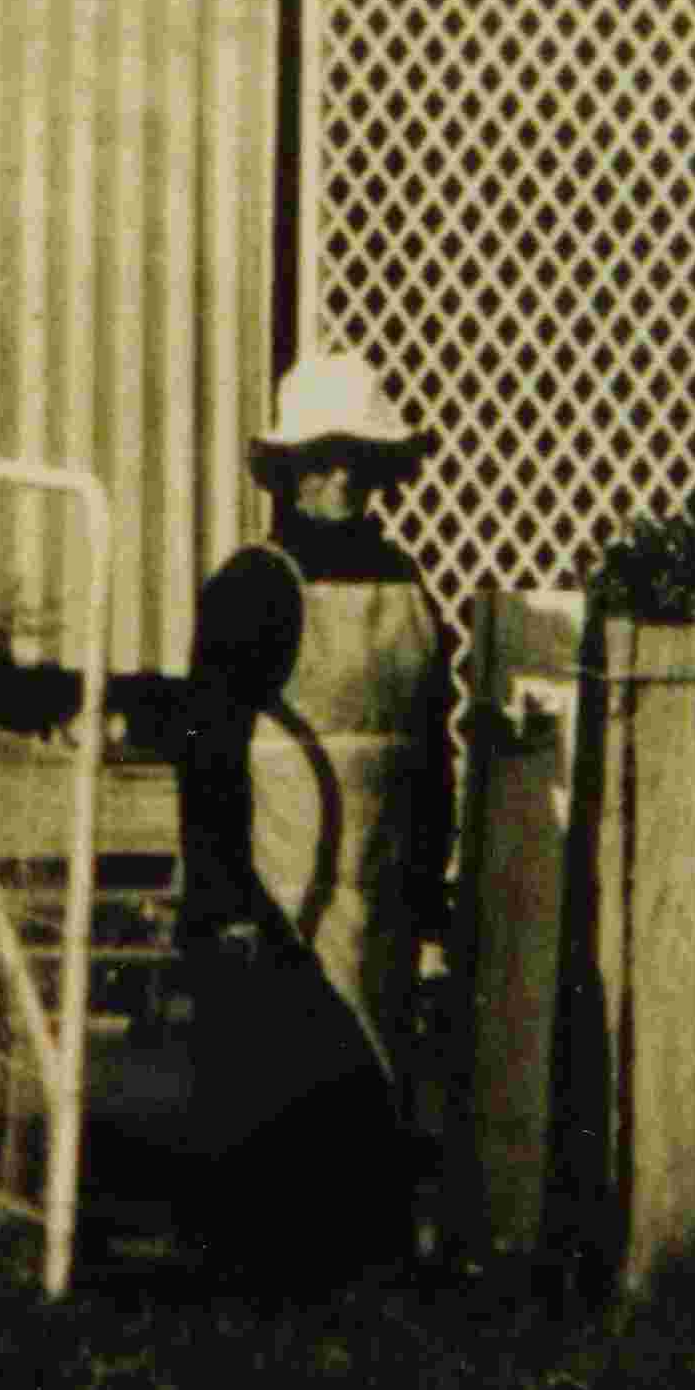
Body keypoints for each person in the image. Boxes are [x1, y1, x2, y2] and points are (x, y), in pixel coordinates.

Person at [167, 351, 458, 1295]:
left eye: (358, 461)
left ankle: (354, 1316)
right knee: (276, 1103)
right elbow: (207, 751)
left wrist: (428, 895)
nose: (340, 480)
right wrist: (221, 899)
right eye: (323, 460)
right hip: (274, 891)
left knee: (372, 1098)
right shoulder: (255, 582)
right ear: (287, 470)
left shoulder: (408, 587)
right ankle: (253, 1318)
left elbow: (430, 750)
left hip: (376, 890)